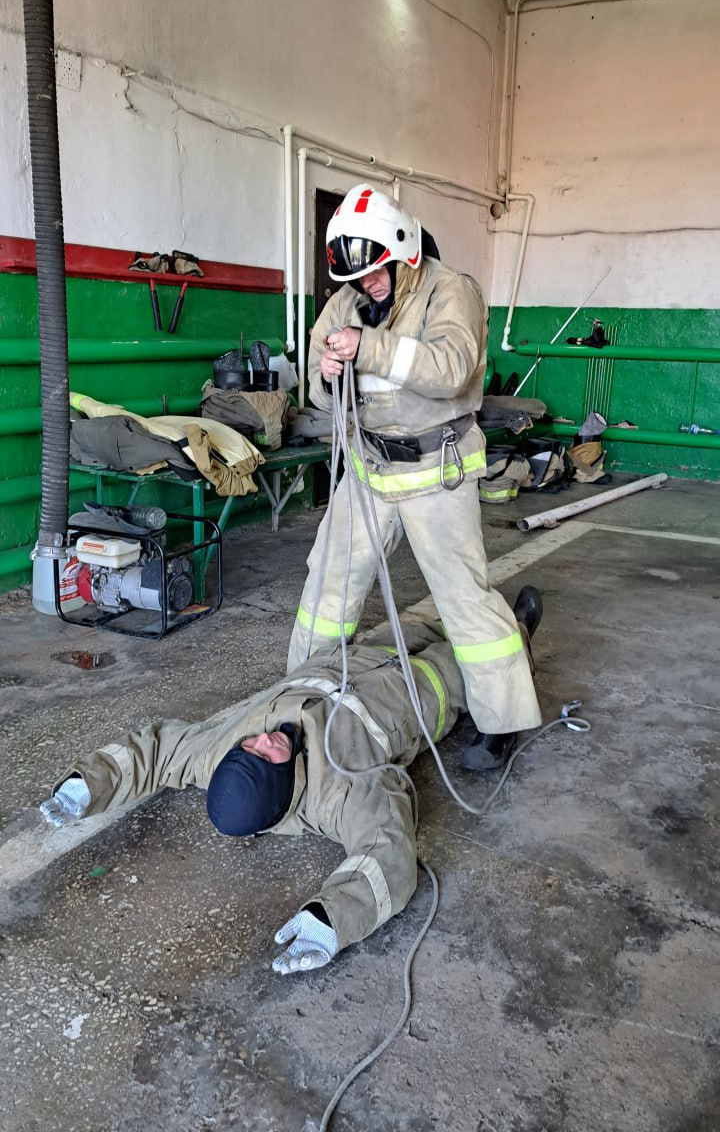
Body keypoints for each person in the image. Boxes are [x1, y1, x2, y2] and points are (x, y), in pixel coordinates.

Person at [40, 591, 541, 975]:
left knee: (428, 621)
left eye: (251, 746)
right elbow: (386, 849)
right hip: (416, 691)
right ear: (280, 788)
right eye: (266, 756)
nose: (262, 740)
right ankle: (519, 627)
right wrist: (331, 918)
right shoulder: (337, 794)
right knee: (483, 659)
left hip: (354, 660)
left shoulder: (217, 753)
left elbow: (153, 751)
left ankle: (481, 612)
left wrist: (86, 785)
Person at [286, 183, 542, 771]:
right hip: (369, 468)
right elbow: (320, 390)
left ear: (403, 251)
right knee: (327, 587)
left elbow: (450, 369)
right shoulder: (347, 302)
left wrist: (365, 348)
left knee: (462, 597)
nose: (367, 286)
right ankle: (300, 697)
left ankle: (502, 719)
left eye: (376, 272)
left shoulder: (451, 291)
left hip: (436, 471)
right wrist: (325, 375)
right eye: (356, 278)